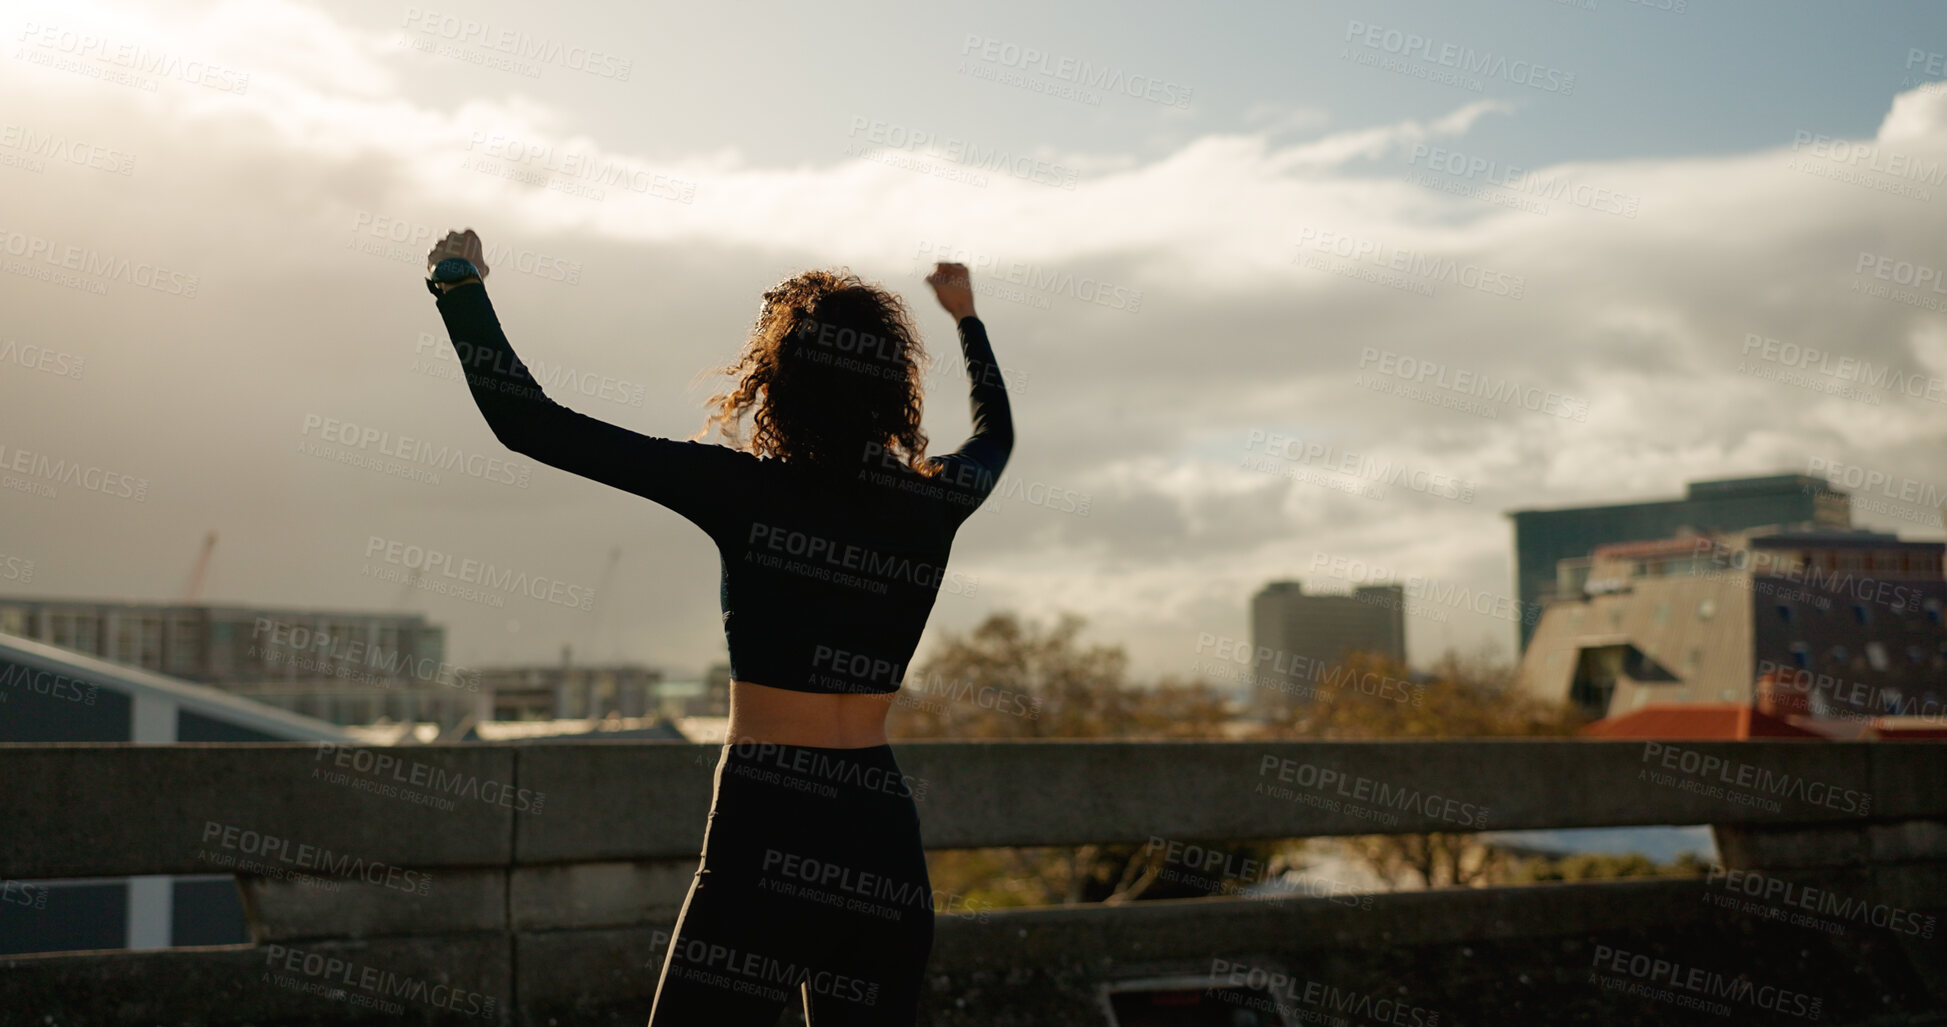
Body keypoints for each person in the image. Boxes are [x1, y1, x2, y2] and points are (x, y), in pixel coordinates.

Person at [422, 229, 1013, 1025]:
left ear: (777, 383)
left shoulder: (739, 489)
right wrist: (966, 319)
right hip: (878, 828)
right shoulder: (933, 500)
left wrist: (460, 288)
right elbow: (995, 434)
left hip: (767, 817)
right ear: (891, 387)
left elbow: (532, 424)